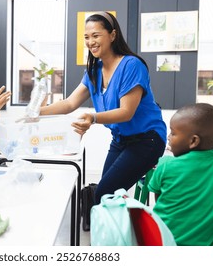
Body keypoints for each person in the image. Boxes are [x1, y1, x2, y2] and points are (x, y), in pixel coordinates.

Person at [40, 11, 166, 205]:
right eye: (87, 37)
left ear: (113, 35)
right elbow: (69, 103)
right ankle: (113, 232)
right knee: (105, 195)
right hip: (121, 140)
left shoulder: (131, 65)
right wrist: (36, 113)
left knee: (104, 193)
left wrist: (93, 117)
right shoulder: (94, 71)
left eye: (96, 35)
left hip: (147, 140)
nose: (91, 42)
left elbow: (126, 112)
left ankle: (122, 232)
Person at [148, 103, 213, 246]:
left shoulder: (165, 164)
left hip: (163, 241)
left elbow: (160, 198)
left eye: (173, 133)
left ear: (193, 141)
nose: (169, 137)